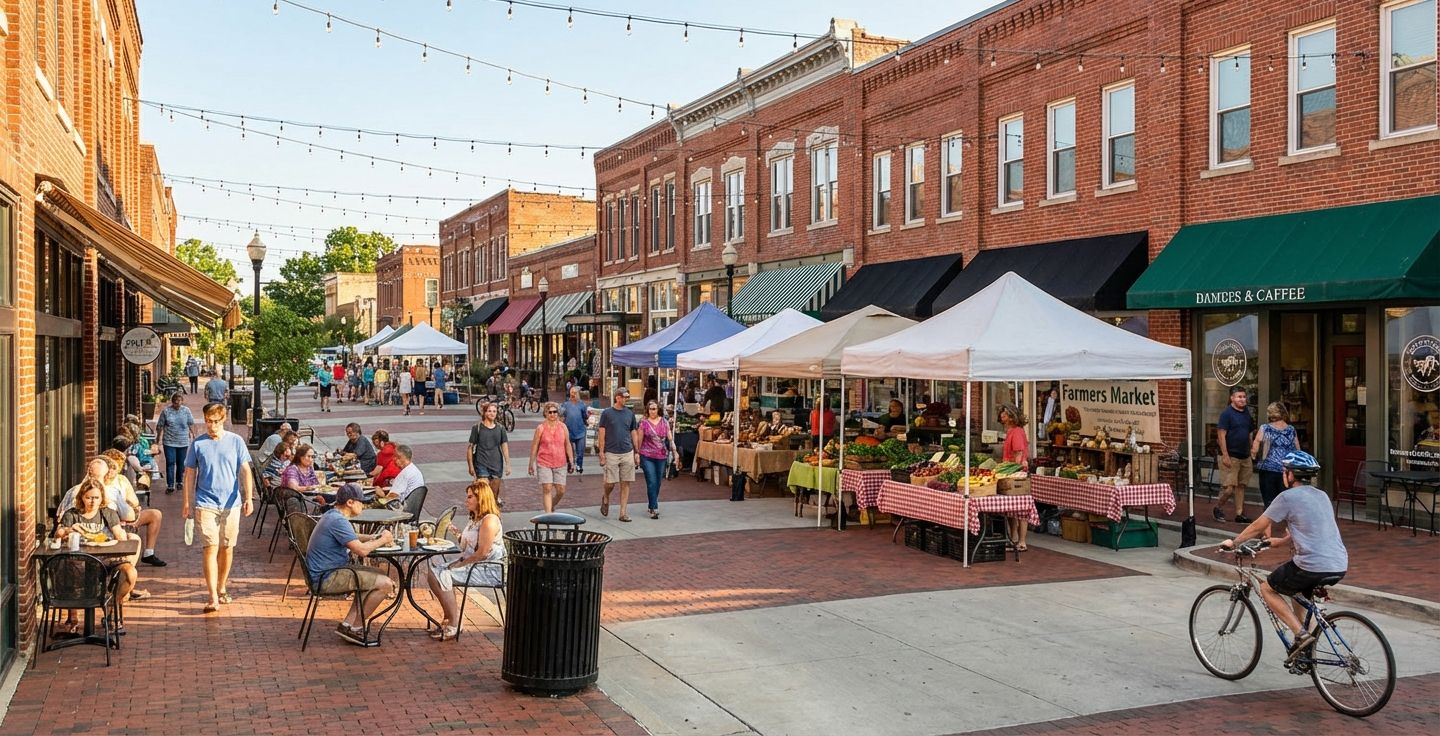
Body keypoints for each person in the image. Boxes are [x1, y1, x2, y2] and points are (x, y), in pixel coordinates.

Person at [1222, 450, 1347, 660]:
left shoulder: (1287, 497)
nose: (1284, 475)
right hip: (1339, 563)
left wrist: (1233, 542)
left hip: (1311, 564)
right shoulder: (1322, 496)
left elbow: (1258, 526)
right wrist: (1281, 542)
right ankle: (1308, 648)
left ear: (1290, 475)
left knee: (1267, 588)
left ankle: (1300, 635)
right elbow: (1315, 528)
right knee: (1296, 592)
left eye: (1285, 471)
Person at [182, 402, 255, 614]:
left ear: (223, 420)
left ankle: (222, 586)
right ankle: (212, 595)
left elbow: (245, 471)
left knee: (226, 547)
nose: (211, 426)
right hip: (205, 502)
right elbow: (189, 475)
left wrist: (248, 497)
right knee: (210, 547)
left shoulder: (236, 441)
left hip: (231, 503)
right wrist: (187, 502)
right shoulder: (198, 444)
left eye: (215, 421)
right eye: (207, 422)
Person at [306, 483, 395, 646]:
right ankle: (356, 628)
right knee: (385, 584)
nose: (364, 505)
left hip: (325, 572)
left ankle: (347, 625)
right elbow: (361, 551)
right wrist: (383, 539)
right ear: (350, 503)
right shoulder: (338, 520)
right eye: (361, 501)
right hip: (328, 577)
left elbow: (351, 536)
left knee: (375, 575)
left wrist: (372, 538)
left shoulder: (332, 515)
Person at [422, 479, 505, 641]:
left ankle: (454, 624)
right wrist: (456, 532)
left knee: (443, 574)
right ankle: (449, 615)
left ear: (480, 498)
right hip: (473, 564)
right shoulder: (474, 519)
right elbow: (468, 546)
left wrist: (458, 564)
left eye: (469, 497)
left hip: (487, 569)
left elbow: (481, 553)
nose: (466, 501)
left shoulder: (489, 520)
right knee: (432, 571)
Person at [56, 479, 149, 604]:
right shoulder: (72, 514)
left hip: (107, 559)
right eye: (88, 498)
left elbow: (120, 535)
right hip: (80, 560)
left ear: (101, 498)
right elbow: (58, 533)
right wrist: (68, 530)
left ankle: (113, 607)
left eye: (96, 497)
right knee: (66, 571)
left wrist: (120, 532)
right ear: (82, 498)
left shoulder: (107, 513)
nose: (93, 502)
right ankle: (73, 616)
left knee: (130, 572)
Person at [98, 450, 167, 566]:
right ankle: (141, 556)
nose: (115, 470)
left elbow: (133, 502)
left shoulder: (117, 480)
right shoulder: (117, 482)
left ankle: (147, 554)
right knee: (151, 517)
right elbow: (133, 503)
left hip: (119, 517)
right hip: (119, 521)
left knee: (154, 514)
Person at [597, 388, 642, 522]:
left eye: (627, 397)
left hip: (627, 451)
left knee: (626, 482)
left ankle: (623, 512)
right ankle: (605, 496)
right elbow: (602, 433)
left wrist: (637, 451)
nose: (626, 400)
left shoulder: (630, 414)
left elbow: (633, 431)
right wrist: (601, 452)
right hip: (611, 452)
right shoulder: (607, 413)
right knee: (610, 483)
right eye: (624, 397)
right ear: (617, 397)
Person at [1214, 387, 1256, 524]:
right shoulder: (1226, 414)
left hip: (1245, 455)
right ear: (1232, 398)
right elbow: (1221, 435)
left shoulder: (1246, 414)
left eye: (1244, 396)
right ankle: (1218, 507)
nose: (1242, 399)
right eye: (1239, 397)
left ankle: (1239, 514)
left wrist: (1251, 449)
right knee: (1229, 488)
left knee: (1241, 486)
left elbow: (1249, 432)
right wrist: (1225, 455)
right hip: (1230, 455)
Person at [529, 402, 575, 513]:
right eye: (550, 412)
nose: (553, 414)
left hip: (560, 462)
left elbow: (567, 444)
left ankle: (551, 505)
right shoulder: (541, 428)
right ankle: (548, 515)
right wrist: (531, 463)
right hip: (544, 462)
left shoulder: (563, 427)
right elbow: (535, 445)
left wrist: (571, 461)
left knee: (561, 490)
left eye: (555, 412)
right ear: (545, 413)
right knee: (547, 488)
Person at [1252, 401, 1298, 508]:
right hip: (1285, 470)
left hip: (1267, 469)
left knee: (1268, 501)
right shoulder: (1291, 430)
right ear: (1284, 413)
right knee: (1285, 501)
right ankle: (1287, 523)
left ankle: (1268, 524)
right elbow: (1297, 449)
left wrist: (1254, 456)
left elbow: (1255, 447)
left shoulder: (1265, 428)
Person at [998, 404, 1031, 552]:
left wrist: (1012, 471)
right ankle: (1013, 538)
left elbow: (1018, 454)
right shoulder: (1011, 431)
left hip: (1018, 475)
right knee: (1011, 509)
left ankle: (1022, 541)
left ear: (1011, 416)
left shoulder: (1017, 432)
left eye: (1004, 414)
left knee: (1021, 509)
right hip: (1010, 473)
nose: (1001, 416)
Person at [638, 401, 677, 520]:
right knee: (651, 481)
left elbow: (670, 438)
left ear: (658, 409)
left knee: (658, 482)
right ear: (647, 410)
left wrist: (674, 451)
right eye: (650, 409)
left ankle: (651, 504)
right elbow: (639, 440)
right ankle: (654, 508)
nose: (652, 411)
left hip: (661, 456)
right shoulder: (643, 423)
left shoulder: (664, 422)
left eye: (654, 409)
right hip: (647, 455)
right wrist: (637, 454)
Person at [467, 402, 511, 505]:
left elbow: (504, 446)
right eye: (489, 411)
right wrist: (470, 466)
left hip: (496, 464)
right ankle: (481, 516)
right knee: (483, 493)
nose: (492, 413)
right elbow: (470, 447)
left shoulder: (500, 428)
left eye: (494, 411)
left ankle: (493, 515)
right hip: (481, 463)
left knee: (494, 494)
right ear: (485, 412)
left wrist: (508, 464)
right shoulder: (477, 428)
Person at [155, 392, 197, 495]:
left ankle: (179, 481)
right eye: (175, 401)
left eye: (179, 401)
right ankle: (170, 485)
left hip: (182, 441)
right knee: (170, 462)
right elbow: (160, 425)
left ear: (182, 401)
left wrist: (194, 435)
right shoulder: (166, 411)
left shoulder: (186, 411)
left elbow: (191, 424)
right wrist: (157, 439)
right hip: (169, 441)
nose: (177, 403)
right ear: (172, 401)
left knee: (181, 463)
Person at [560, 386, 591, 475]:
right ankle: (570, 463)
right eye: (572, 393)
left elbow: (585, 416)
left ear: (578, 394)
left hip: (580, 430)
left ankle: (579, 466)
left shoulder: (582, 404)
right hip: (568, 431)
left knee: (580, 451)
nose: (573, 395)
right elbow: (561, 415)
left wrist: (587, 418)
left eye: (575, 393)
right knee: (568, 451)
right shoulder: (565, 404)